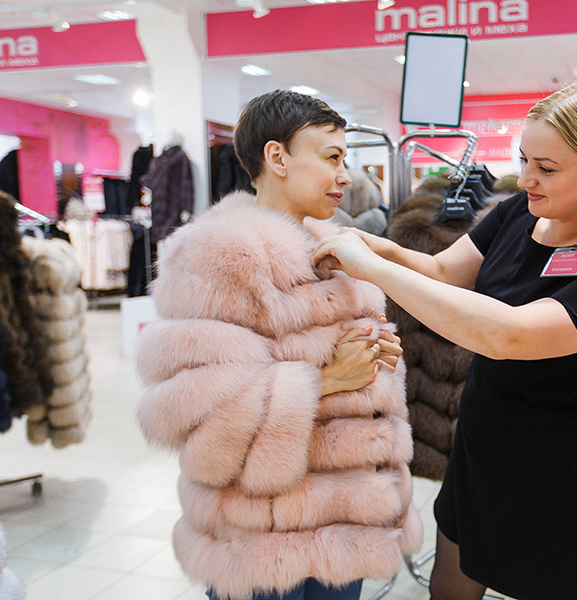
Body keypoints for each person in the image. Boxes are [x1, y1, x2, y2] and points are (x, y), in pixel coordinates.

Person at [314, 82, 577, 600]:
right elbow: (442, 270)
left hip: (556, 464)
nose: (526, 178)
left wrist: (374, 269)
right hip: (483, 437)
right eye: (524, 160)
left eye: (546, 168)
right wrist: (370, 245)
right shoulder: (522, 212)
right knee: (451, 585)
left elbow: (507, 334)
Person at [134, 90, 423, 600]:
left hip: (343, 522)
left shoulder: (334, 248)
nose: (344, 176)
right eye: (331, 157)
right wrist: (324, 381)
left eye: (344, 160)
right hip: (263, 539)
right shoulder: (222, 255)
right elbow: (193, 421)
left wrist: (374, 359)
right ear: (277, 157)